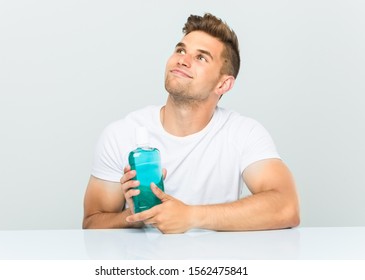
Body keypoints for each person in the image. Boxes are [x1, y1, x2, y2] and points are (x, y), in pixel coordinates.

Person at [82, 13, 300, 234]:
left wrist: (190, 216)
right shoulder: (121, 134)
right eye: (180, 50)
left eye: (201, 58)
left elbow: (286, 207)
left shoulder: (244, 134)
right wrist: (138, 215)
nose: (182, 60)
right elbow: (92, 222)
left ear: (223, 84)